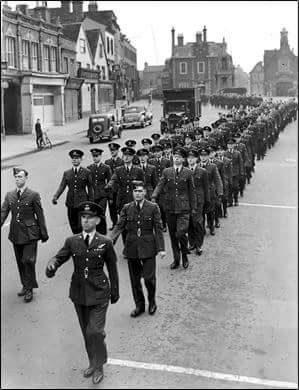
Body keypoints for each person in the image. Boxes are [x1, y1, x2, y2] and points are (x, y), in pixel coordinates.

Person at [45, 202, 119, 385]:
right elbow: (60, 257)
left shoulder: (105, 242)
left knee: (95, 331)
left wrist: (115, 292)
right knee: (87, 332)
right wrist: (52, 265)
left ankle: (99, 365)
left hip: (100, 292)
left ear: (97, 220)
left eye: (89, 218)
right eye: (83, 217)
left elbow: (112, 268)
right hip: (79, 293)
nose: (86, 221)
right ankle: (92, 363)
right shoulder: (72, 241)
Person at [110, 181, 165, 317]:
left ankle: (152, 302)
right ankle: (139, 305)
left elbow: (158, 228)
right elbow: (119, 226)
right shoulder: (127, 208)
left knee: (148, 279)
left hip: (148, 247)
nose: (138, 194)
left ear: (145, 192)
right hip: (132, 247)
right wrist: (110, 239)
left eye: (140, 191)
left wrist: (161, 248)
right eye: (136, 191)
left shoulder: (153, 207)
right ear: (132, 193)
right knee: (135, 281)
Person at [1, 168, 49, 302]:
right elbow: (3, 213)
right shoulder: (9, 195)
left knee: (28, 260)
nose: (18, 179)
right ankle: (25, 285)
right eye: (16, 177)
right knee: (20, 261)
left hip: (30, 234)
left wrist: (43, 233)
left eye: (21, 177)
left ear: (26, 178)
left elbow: (40, 215)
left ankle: (29, 288)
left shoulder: (33, 195)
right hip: (16, 234)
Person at [152, 147, 196, 269]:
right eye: (175, 156)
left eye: (179, 157)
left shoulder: (188, 172)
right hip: (170, 207)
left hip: (184, 208)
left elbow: (192, 191)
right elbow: (160, 185)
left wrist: (193, 207)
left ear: (183, 159)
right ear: (172, 158)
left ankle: (185, 256)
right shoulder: (167, 172)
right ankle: (176, 259)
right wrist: (154, 197)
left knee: (181, 233)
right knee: (172, 235)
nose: (177, 158)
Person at [105, 147, 145, 244]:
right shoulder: (118, 170)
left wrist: (136, 182)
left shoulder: (138, 170)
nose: (126, 158)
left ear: (132, 157)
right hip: (122, 200)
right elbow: (113, 178)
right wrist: (109, 184)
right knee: (124, 224)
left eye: (128, 156)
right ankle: (126, 247)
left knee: (135, 224)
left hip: (134, 200)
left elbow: (143, 183)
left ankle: (136, 244)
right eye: (124, 156)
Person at [52, 150, 94, 234]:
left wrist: (91, 203)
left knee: (81, 224)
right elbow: (62, 186)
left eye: (77, 158)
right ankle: (77, 239)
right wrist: (56, 196)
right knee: (73, 223)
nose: (75, 160)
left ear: (81, 159)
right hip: (70, 202)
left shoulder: (87, 172)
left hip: (82, 202)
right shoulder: (67, 173)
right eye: (73, 158)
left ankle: (83, 241)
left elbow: (90, 188)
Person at [186, 149, 210, 256]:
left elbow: (206, 188)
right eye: (189, 158)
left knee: (198, 222)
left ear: (197, 159)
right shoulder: (185, 170)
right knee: (190, 222)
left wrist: (207, 201)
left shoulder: (202, 171)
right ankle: (192, 243)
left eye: (193, 158)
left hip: (199, 201)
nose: (191, 160)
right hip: (187, 201)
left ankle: (199, 245)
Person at [87, 148, 112, 235]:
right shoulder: (89, 168)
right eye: (93, 156)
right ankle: (96, 232)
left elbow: (110, 182)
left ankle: (103, 232)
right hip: (93, 195)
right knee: (94, 214)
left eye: (97, 156)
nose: (95, 158)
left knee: (101, 214)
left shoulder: (106, 168)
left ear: (100, 156)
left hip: (102, 194)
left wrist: (110, 196)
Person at [148, 145, 171, 232]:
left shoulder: (167, 161)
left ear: (162, 152)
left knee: (163, 207)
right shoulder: (151, 161)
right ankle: (158, 224)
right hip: (154, 187)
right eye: (155, 152)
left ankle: (164, 224)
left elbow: (169, 173)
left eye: (158, 151)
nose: (157, 153)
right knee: (154, 207)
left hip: (164, 188)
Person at [104, 143, 124, 230]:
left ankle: (123, 223)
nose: (112, 152)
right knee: (112, 207)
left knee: (121, 206)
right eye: (111, 150)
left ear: (117, 151)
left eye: (114, 150)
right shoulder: (107, 162)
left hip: (120, 188)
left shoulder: (122, 162)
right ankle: (114, 223)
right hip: (111, 189)